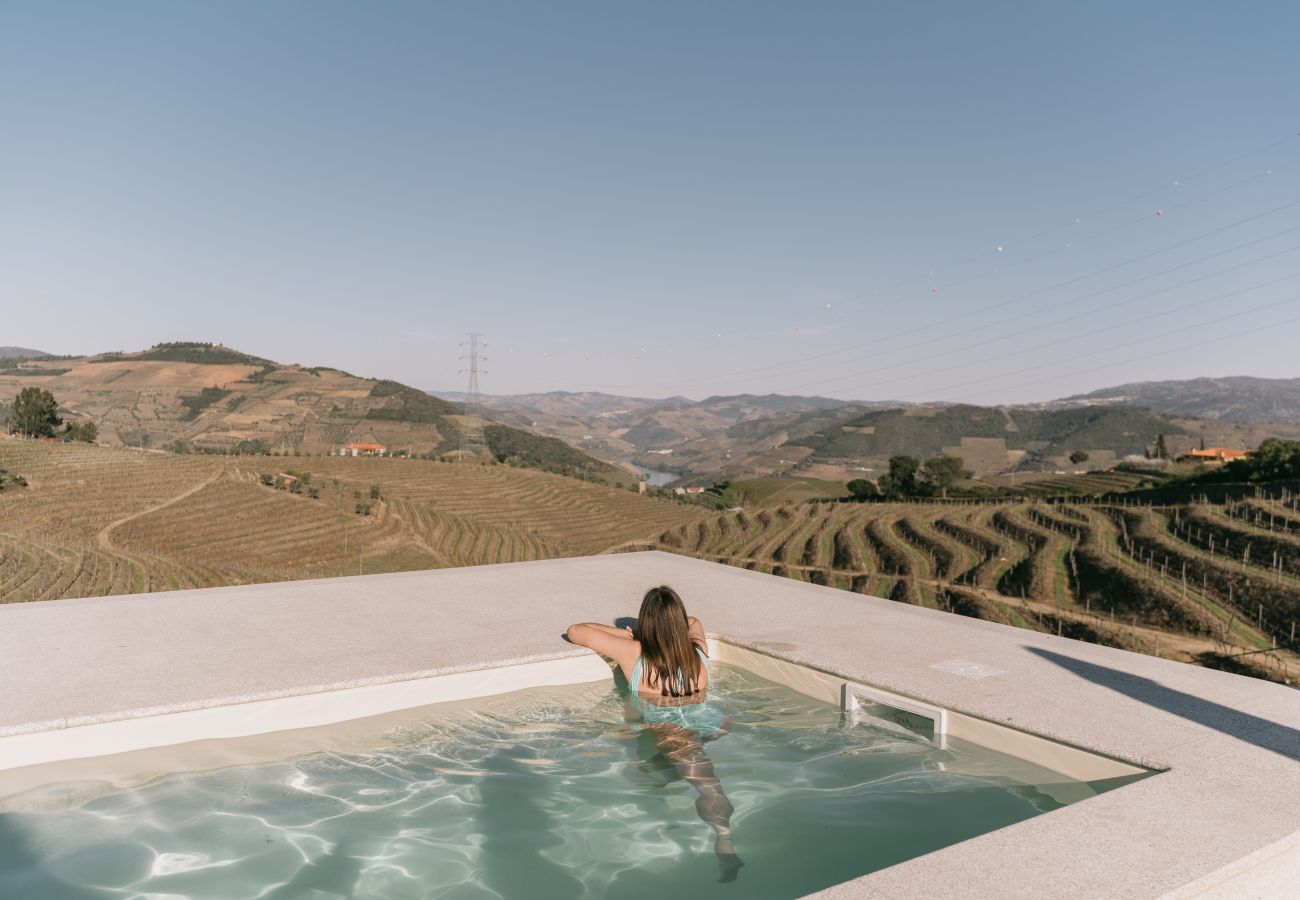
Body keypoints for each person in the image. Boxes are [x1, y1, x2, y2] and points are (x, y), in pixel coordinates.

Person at [567, 585, 743, 882]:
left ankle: (724, 838)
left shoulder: (632, 651)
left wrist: (628, 633)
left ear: (645, 624)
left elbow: (575, 631)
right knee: (688, 773)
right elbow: (695, 622)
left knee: (706, 785)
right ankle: (677, 780)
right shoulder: (697, 650)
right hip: (712, 721)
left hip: (670, 728)